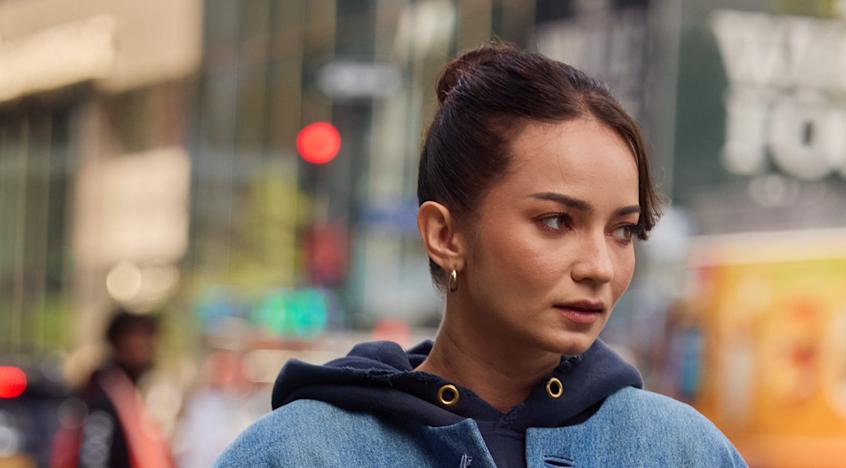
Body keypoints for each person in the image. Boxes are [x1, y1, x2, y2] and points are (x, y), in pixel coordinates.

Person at [217, 43, 746, 467]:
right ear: (445, 235)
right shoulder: (302, 453)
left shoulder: (680, 451)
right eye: (556, 221)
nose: (599, 267)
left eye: (623, 230)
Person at [73, 309, 173, 468]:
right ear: (120, 343)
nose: (149, 348)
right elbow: (93, 457)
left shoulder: (126, 391)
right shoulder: (103, 394)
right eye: (141, 339)